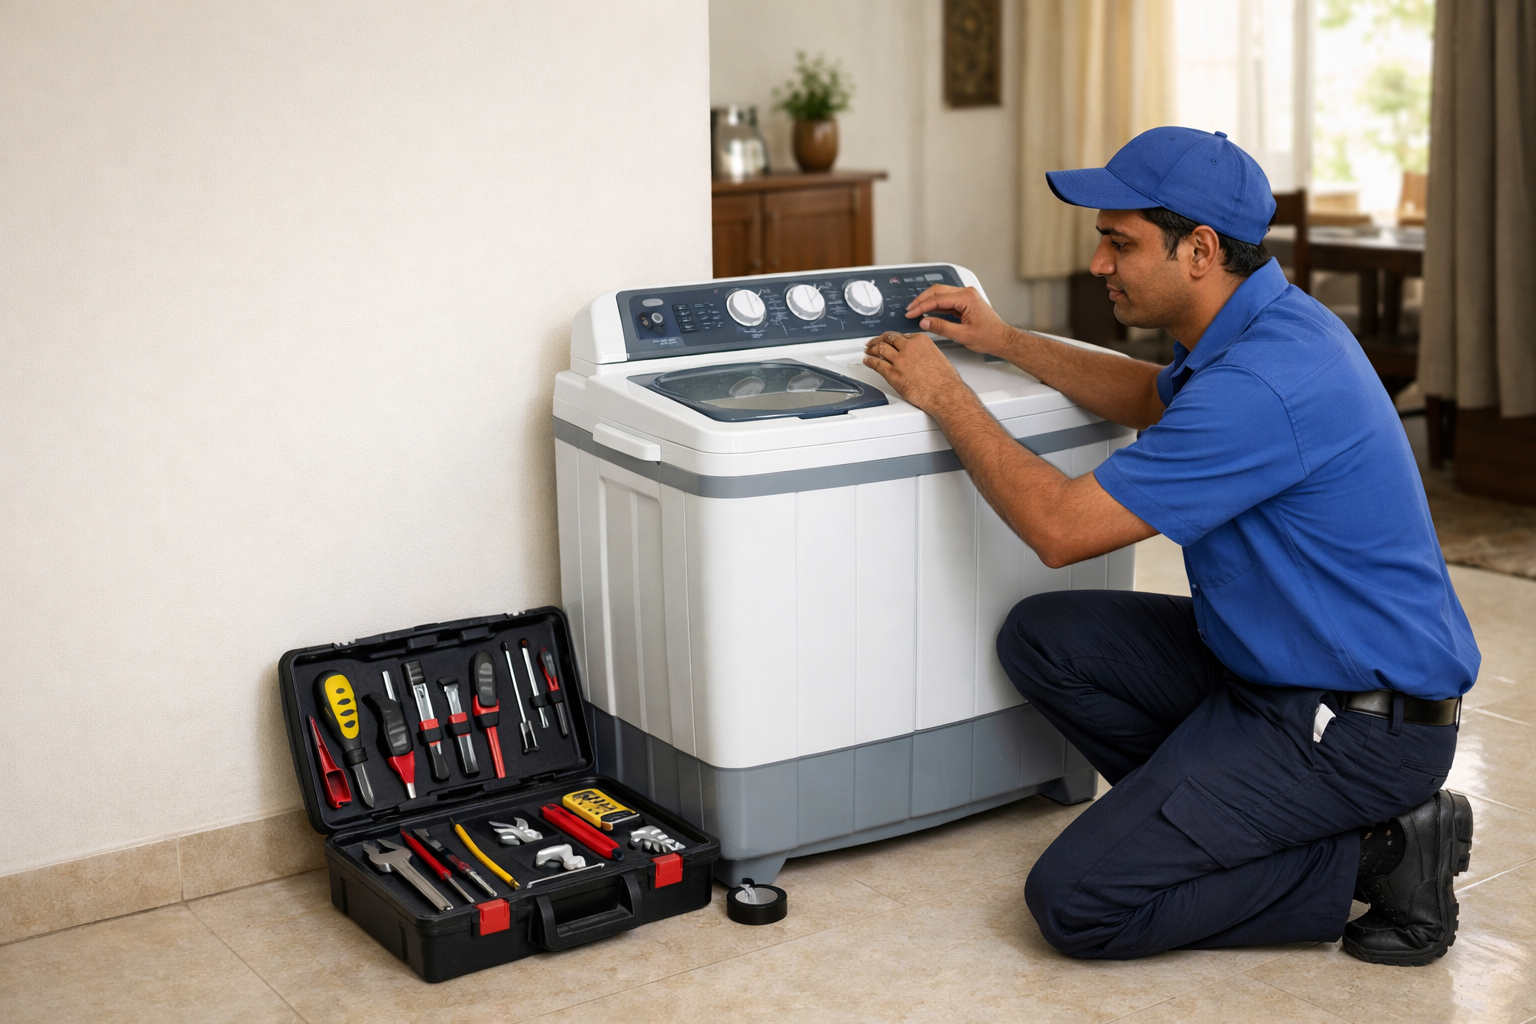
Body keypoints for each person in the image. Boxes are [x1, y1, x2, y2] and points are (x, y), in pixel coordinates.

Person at [861, 126, 1479, 966]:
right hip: (1269, 677)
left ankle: (1385, 852)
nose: (1099, 264)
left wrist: (948, 398)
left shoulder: (1263, 383)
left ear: (1198, 250)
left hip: (1357, 726)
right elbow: (1152, 396)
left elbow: (1060, 529)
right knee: (1046, 639)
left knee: (1078, 903)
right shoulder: (1258, 328)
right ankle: (1218, 812)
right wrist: (1002, 341)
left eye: (1120, 243)